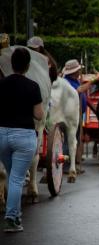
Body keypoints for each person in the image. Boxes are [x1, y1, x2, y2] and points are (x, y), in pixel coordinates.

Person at [0, 48, 44, 233]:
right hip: (24, 136)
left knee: (12, 176)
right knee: (17, 178)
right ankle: (11, 218)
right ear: (27, 66)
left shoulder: (1, 84)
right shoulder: (33, 86)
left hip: (2, 135)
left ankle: (16, 215)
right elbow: (39, 115)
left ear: (11, 64)